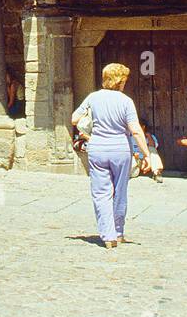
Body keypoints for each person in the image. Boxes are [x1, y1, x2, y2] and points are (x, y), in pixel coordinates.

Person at [69, 62, 151, 249]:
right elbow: (135, 130)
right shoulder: (126, 101)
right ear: (120, 81)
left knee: (101, 193)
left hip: (97, 148)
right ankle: (119, 231)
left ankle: (108, 236)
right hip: (120, 149)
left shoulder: (93, 97)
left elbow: (74, 118)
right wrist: (146, 154)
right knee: (119, 192)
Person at [132, 117, 164, 182]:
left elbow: (153, 147)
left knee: (152, 149)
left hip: (148, 160)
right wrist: (134, 155)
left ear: (143, 127)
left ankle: (157, 173)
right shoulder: (130, 137)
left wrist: (149, 136)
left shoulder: (150, 137)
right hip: (136, 160)